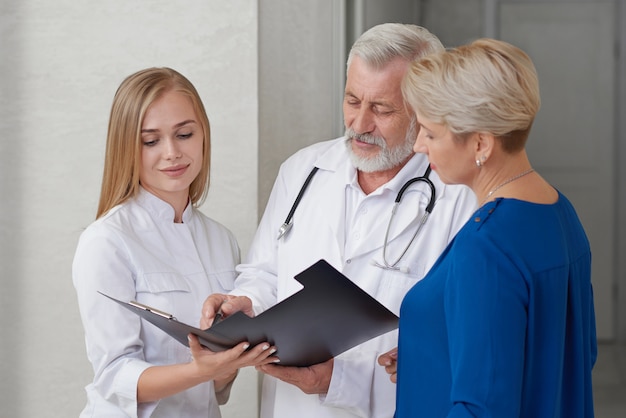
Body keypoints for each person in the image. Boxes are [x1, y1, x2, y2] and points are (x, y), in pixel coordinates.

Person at [201, 24, 477, 418]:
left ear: (424, 110)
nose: (359, 123)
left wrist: (340, 381)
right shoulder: (303, 171)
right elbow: (264, 272)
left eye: (382, 109)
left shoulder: (458, 199)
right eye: (352, 100)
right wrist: (245, 302)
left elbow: (459, 343)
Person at [379, 38, 597, 417]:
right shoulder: (559, 212)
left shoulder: (487, 247)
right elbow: (572, 351)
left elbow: (483, 408)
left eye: (430, 133)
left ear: (480, 143)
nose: (418, 146)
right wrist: (432, 350)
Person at [72, 67, 278, 418]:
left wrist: (229, 362)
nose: (172, 152)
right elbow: (114, 375)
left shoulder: (220, 239)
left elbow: (213, 388)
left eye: (184, 134)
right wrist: (203, 370)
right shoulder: (106, 241)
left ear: (203, 137)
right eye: (151, 141)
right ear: (127, 146)